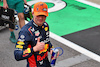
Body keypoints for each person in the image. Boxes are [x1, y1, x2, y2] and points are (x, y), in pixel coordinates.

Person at [14, 2, 59, 67]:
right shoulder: (25, 31)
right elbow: (17, 55)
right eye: (38, 15)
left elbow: (47, 42)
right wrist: (34, 49)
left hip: (46, 64)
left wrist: (51, 49)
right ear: (33, 13)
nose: (41, 18)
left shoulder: (45, 26)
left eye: (43, 15)